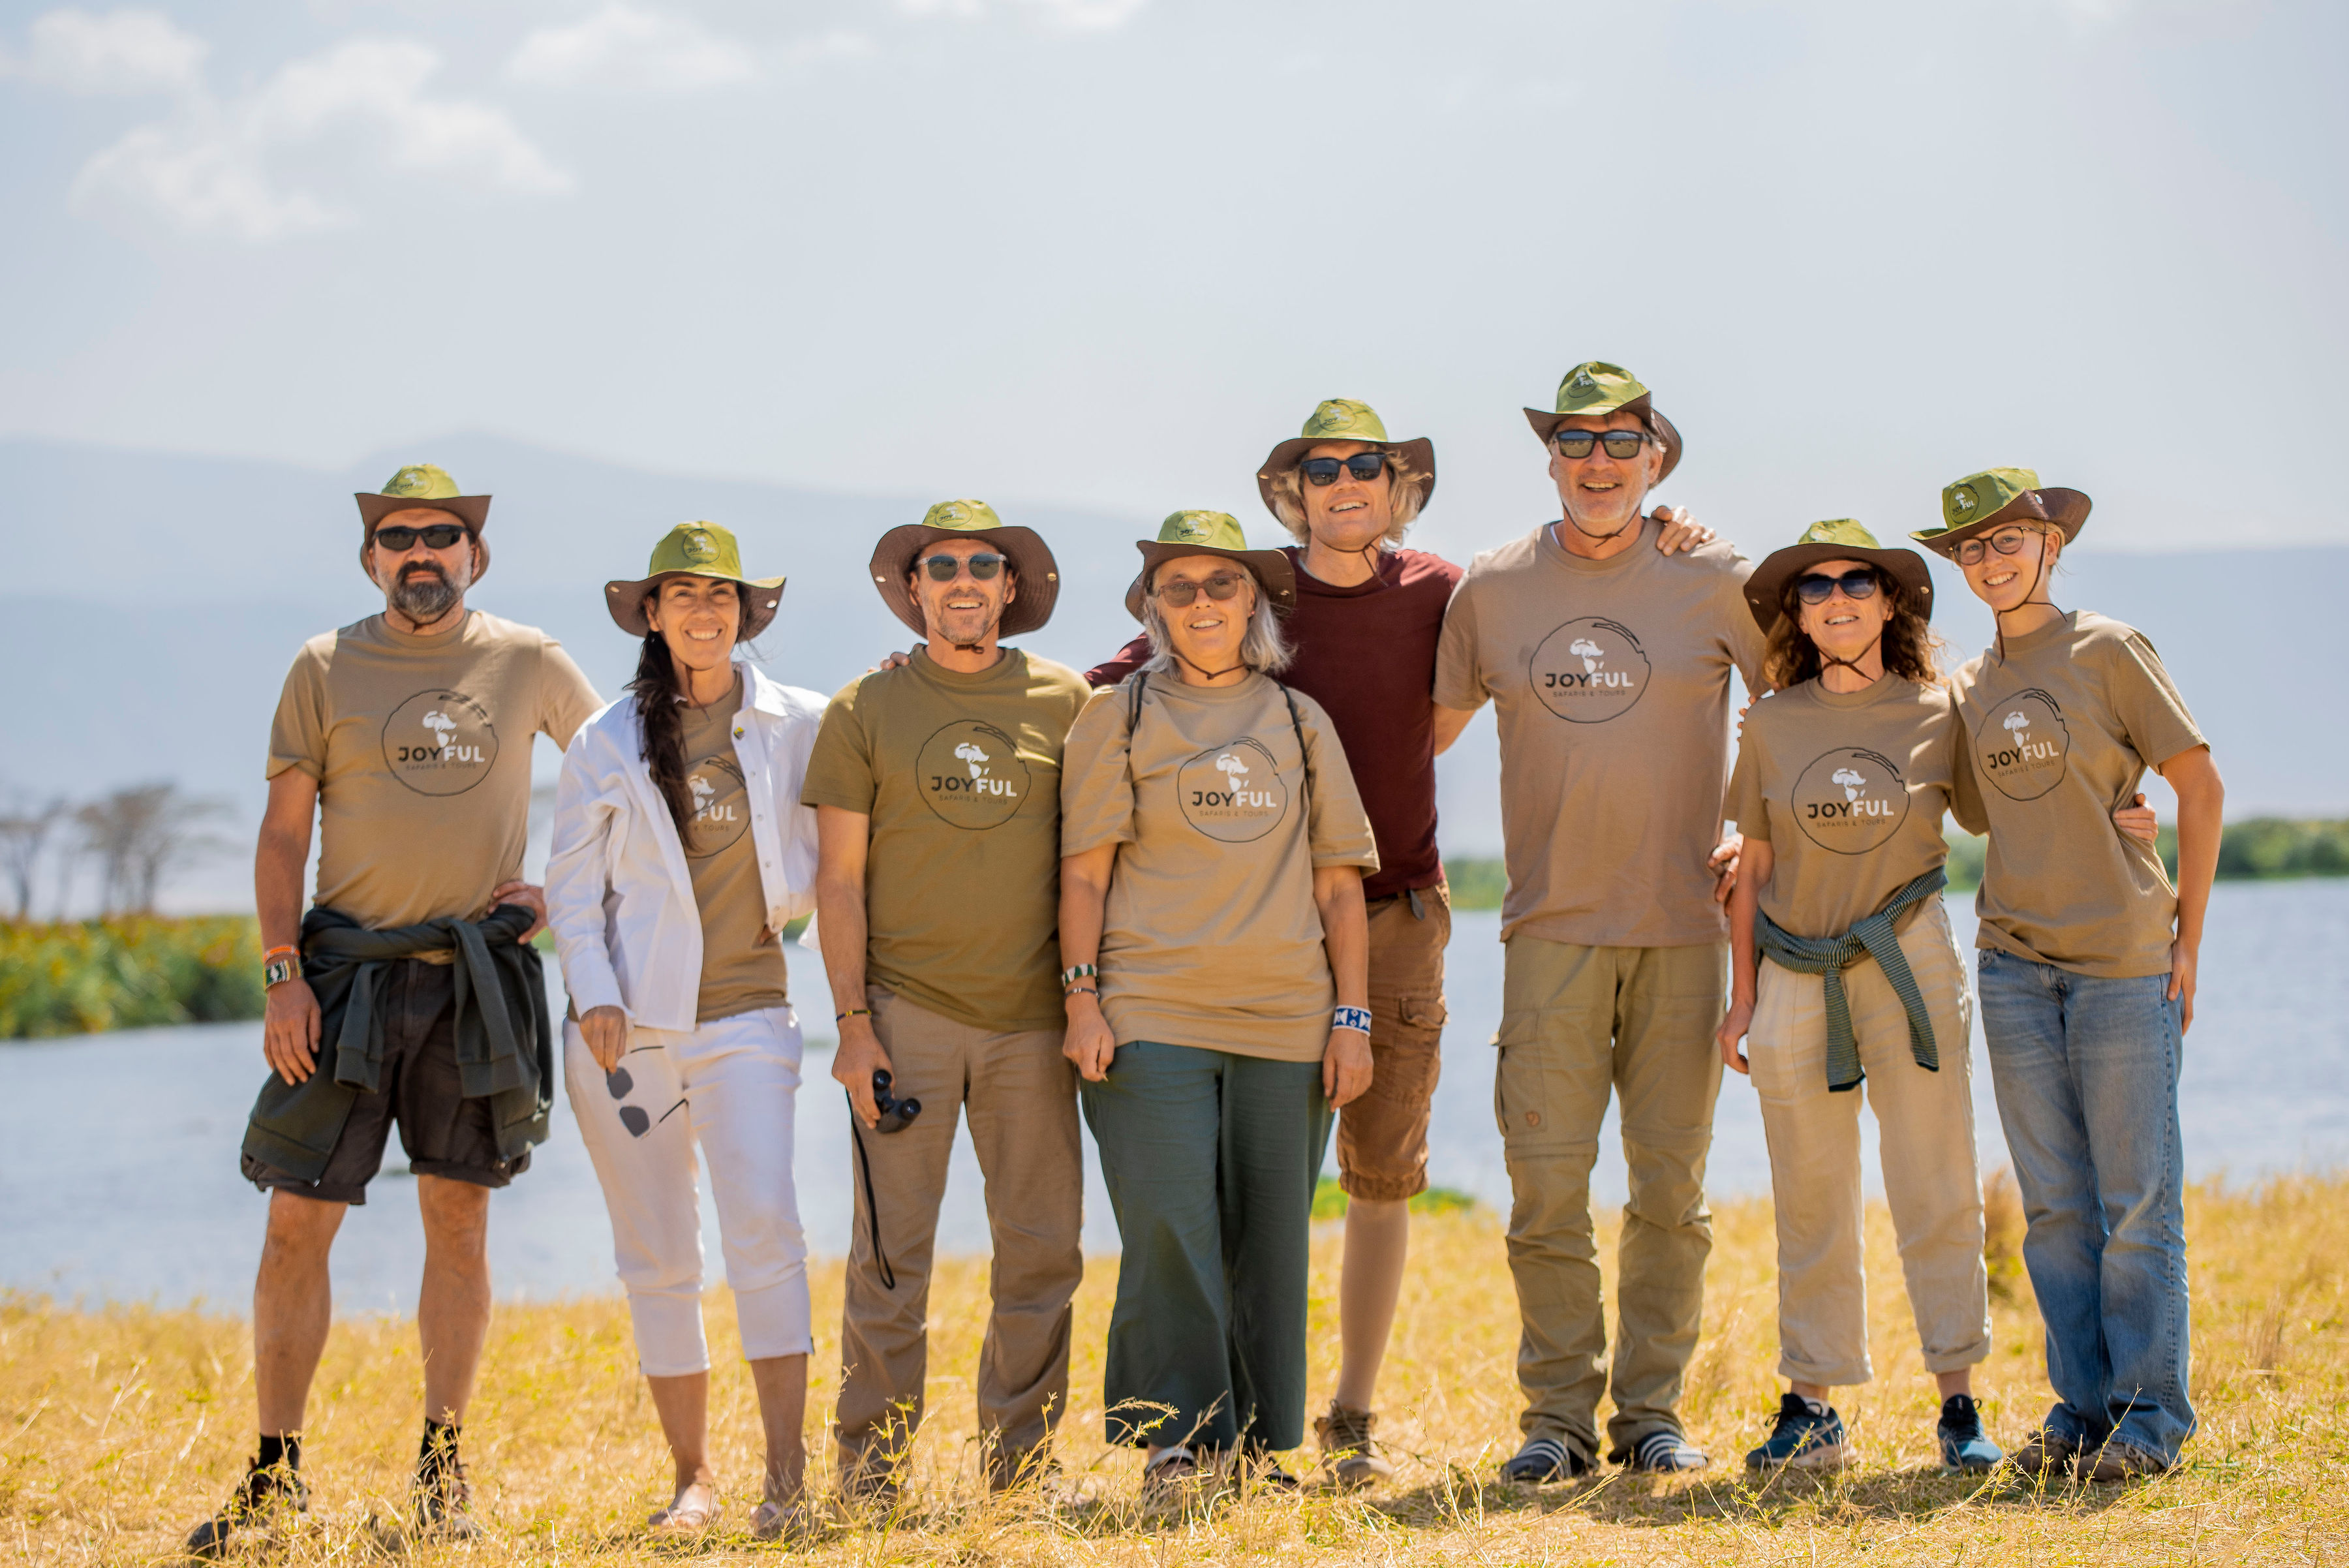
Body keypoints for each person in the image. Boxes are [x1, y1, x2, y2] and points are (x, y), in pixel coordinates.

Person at [1082, 399, 1712, 1486]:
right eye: (1321, 469)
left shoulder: (1439, 591)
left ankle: (1352, 1421)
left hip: (1398, 915)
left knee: (1380, 1175)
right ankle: (1213, 1428)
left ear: (1398, 486)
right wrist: (947, 675)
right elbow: (1115, 686)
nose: (1345, 485)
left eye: (1365, 466)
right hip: (1263, 930)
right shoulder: (1249, 591)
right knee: (1251, 1185)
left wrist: (1668, 535)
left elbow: (1487, 672)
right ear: (1293, 493)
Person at [192, 465, 600, 1556]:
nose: (422, 554)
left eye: (441, 537)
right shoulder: (324, 666)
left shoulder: (530, 659)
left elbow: (620, 772)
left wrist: (558, 892)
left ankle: (440, 1474)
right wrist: (281, 973)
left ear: (476, 555)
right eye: (400, 538)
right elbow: (284, 834)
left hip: (476, 982)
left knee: (459, 1220)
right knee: (295, 1222)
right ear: (372, 559)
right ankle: (274, 1477)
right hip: (343, 983)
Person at [1432, 363, 1762, 1479]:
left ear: (1655, 459)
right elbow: (1418, 733)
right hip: (1549, 932)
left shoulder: (1715, 576)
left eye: (1622, 442)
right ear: (1551, 460)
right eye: (1576, 442)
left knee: (1671, 1195)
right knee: (1546, 1194)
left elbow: (1802, 709)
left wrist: (1749, 830)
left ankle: (1651, 1417)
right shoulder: (1490, 589)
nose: (1599, 462)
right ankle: (1557, 1425)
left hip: (1686, 931)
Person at [1059, 512, 1380, 1496]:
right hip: (1149, 1010)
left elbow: (1339, 888)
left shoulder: (1299, 720)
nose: (1202, 603)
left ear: (1254, 604)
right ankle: (1177, 1444)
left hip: (1288, 1018)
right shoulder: (1116, 716)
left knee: (1269, 1237)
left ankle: (1253, 1446)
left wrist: (1352, 1020)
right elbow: (1084, 876)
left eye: (1221, 585)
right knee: (1170, 1225)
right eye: (1180, 588)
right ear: (1154, 610)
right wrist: (1082, 1001)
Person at [1918, 469, 2222, 1483]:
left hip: (2125, 964)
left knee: (2137, 1203)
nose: (1991, 560)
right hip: (2013, 967)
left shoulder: (2111, 648)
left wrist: (2187, 938)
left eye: (2009, 540)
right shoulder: (1968, 687)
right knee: (2054, 1210)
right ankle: (2084, 1412)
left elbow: (2200, 785)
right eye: (1972, 548)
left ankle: (2151, 1419)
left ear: (2051, 547)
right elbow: (1970, 809)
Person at [801, 500, 1091, 1501]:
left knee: (1043, 1255)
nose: (963, 582)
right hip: (905, 1017)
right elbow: (838, 881)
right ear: (913, 590)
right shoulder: (864, 708)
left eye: (981, 566)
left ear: (1010, 589)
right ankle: (869, 1479)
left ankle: (1021, 1471)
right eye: (941, 567)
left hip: (1035, 1024)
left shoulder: (1069, 701)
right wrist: (852, 1027)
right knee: (890, 1260)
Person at [545, 523, 819, 1538]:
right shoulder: (604, 740)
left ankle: (786, 1480)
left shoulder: (803, 722)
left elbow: (848, 836)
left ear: (745, 613)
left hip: (751, 1018)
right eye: (683, 596)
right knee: (657, 1253)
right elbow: (572, 891)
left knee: (766, 1230)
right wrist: (595, 993)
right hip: (628, 1034)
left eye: (722, 595)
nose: (704, 612)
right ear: (652, 615)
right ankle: (693, 1481)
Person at [1714, 519, 2001, 1474]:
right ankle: (1813, 1410)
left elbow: (2009, 809)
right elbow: (1752, 869)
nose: (1836, 599)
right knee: (1810, 1194)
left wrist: (2121, 811)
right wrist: (1741, 997)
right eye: (1815, 586)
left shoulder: (1939, 710)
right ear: (1796, 614)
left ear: (1890, 605)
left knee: (1936, 1178)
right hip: (1796, 968)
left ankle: (1959, 1405)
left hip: (1909, 958)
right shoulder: (1770, 723)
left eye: (1856, 582)